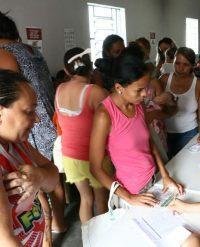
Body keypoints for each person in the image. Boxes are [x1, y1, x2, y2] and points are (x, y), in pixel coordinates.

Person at [90, 53, 182, 207]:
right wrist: (129, 197)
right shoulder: (104, 115)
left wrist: (165, 175)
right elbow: (95, 168)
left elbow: (149, 142)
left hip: (154, 180)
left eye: (146, 87)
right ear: (119, 88)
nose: (145, 93)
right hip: (132, 193)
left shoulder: (138, 105)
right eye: (139, 90)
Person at [0, 11, 57, 245]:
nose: (37, 119)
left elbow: (53, 177)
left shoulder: (18, 143)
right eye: (28, 111)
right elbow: (5, 239)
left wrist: (39, 177)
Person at [55, 48, 111, 224]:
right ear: (90, 67)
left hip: (70, 155)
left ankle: (87, 239)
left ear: (66, 70)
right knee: (101, 200)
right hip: (95, 157)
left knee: (86, 200)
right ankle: (102, 239)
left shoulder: (59, 89)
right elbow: (112, 121)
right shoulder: (96, 92)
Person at [160, 47, 200, 157]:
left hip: (189, 132)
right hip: (165, 132)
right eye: (177, 63)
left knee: (185, 162)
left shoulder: (199, 85)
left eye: (185, 64)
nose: (180, 68)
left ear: (192, 65)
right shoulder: (164, 79)